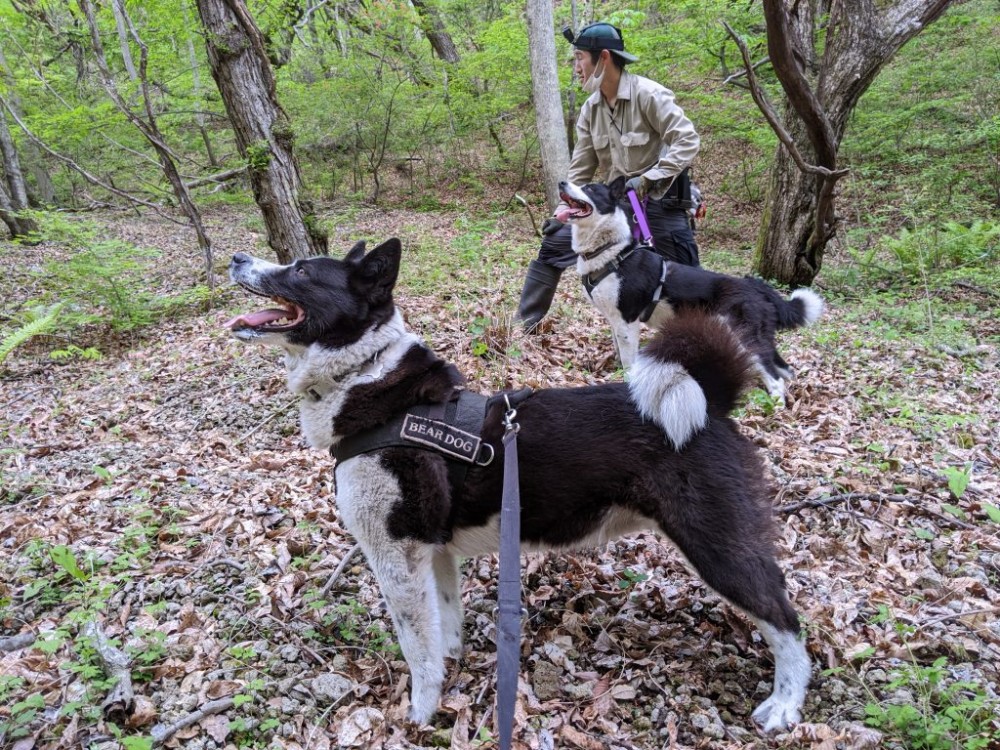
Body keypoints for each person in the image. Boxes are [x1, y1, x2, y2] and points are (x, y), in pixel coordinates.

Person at [517, 22, 701, 332]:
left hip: (659, 202)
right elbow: (581, 169)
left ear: (603, 57)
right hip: (616, 207)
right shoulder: (590, 110)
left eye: (579, 58)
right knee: (554, 242)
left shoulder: (650, 95)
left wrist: (648, 178)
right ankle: (522, 328)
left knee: (689, 279)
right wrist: (561, 213)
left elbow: (688, 140)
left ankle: (706, 341)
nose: (576, 67)